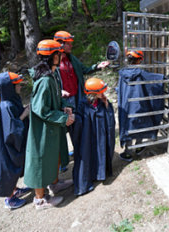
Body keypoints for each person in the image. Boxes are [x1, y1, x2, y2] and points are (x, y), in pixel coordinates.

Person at [24, 40, 75, 210]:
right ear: (54, 56)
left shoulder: (51, 74)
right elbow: (40, 108)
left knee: (54, 154)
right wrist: (62, 118)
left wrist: (63, 107)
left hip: (51, 125)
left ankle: (54, 184)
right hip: (43, 129)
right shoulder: (45, 79)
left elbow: (52, 98)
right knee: (40, 159)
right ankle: (40, 199)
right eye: (60, 54)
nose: (62, 56)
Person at [53, 31, 110, 169]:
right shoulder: (53, 61)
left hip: (77, 98)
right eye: (68, 43)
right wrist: (57, 92)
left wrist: (97, 66)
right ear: (60, 44)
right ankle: (61, 160)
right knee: (61, 130)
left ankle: (78, 151)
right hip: (61, 101)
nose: (71, 46)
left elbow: (84, 69)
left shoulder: (72, 58)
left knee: (77, 126)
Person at [0, 72, 31, 210]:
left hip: (7, 144)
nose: (20, 86)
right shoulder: (7, 105)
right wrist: (24, 114)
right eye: (17, 84)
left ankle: (14, 189)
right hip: (6, 146)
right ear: (10, 87)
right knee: (8, 169)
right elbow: (11, 130)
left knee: (13, 169)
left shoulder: (11, 100)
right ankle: (9, 199)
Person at [117, 50, 165, 162]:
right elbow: (155, 79)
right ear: (140, 60)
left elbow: (119, 89)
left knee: (128, 126)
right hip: (138, 104)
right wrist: (164, 77)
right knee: (140, 124)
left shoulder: (122, 74)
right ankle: (138, 147)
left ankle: (128, 153)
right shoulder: (142, 73)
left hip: (126, 106)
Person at [72, 78, 116, 196]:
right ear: (94, 93)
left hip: (99, 136)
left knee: (100, 152)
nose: (103, 93)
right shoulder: (82, 105)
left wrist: (107, 105)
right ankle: (85, 182)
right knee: (87, 155)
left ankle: (99, 173)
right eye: (101, 91)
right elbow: (78, 122)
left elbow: (109, 120)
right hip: (87, 137)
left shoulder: (102, 102)